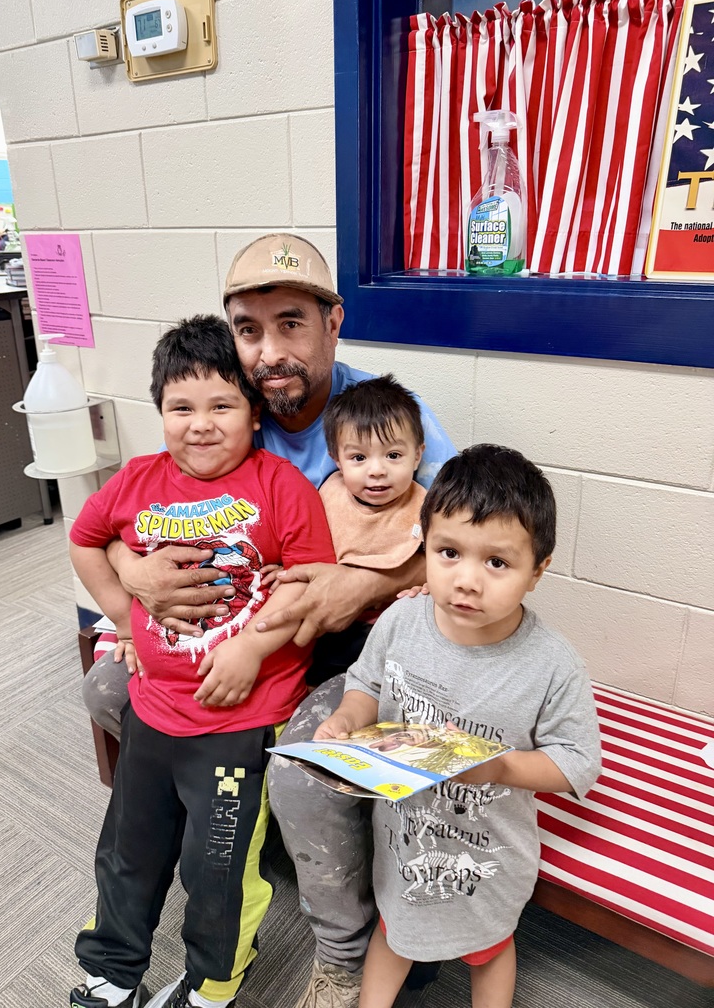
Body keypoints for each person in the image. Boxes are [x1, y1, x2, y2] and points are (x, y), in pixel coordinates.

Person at [82, 234, 458, 1008]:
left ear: (333, 324)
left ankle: (343, 954)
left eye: (291, 323)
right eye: (249, 330)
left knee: (302, 768)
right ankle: (200, 827)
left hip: (352, 648)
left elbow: (466, 534)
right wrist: (131, 573)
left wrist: (359, 586)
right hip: (240, 636)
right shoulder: (229, 416)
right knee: (108, 688)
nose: (269, 349)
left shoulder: (382, 414)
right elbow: (127, 513)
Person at [68, 315, 336, 1008]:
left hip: (241, 722)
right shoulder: (135, 481)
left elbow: (313, 584)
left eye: (222, 405)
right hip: (154, 709)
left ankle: (213, 984)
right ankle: (112, 968)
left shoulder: (281, 486)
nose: (200, 424)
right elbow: (85, 540)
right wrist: (125, 617)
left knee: (216, 869)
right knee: (129, 851)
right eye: (180, 408)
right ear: (158, 413)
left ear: (253, 415)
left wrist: (252, 647)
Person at [314, 445, 602, 1008]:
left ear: (537, 572)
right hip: (402, 840)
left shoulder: (552, 663)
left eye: (497, 562)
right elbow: (366, 684)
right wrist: (347, 719)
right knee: (394, 931)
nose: (467, 581)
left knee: (489, 948)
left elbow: (575, 761)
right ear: (425, 547)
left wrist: (501, 766)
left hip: (488, 854)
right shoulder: (400, 620)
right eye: (448, 552)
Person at [308, 373, 427, 687]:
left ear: (417, 455)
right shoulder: (328, 495)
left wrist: (426, 587)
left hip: (396, 633)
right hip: (331, 633)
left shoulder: (426, 508)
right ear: (336, 460)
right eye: (359, 457)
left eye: (393, 455)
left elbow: (442, 564)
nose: (377, 470)